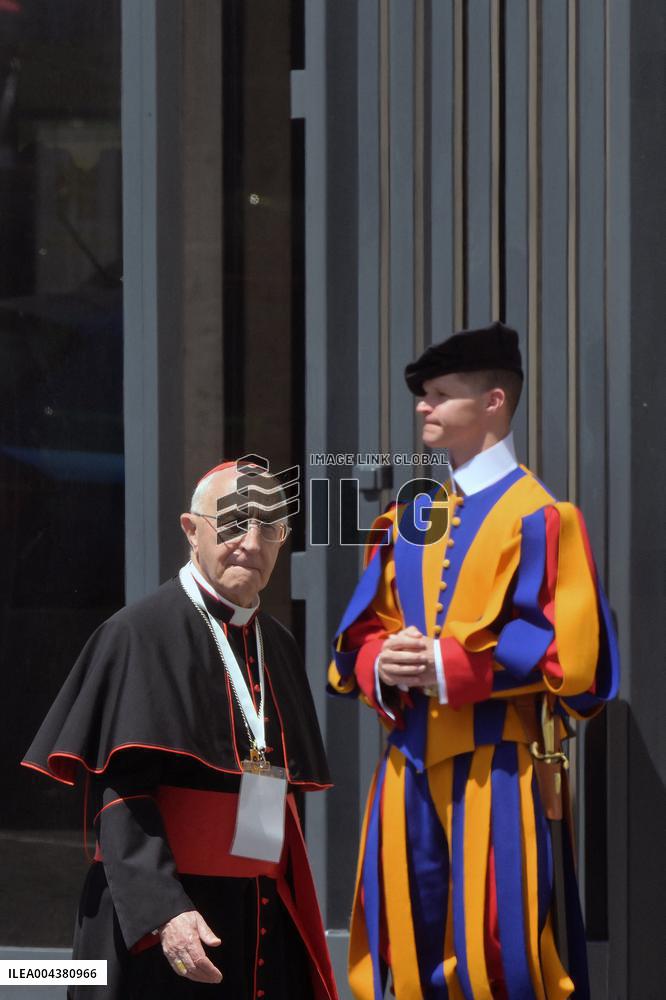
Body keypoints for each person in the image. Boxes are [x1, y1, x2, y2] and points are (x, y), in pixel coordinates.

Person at [329, 322, 620, 1000]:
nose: (422, 407)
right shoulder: (412, 514)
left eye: (440, 394)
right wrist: (384, 661)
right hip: (405, 769)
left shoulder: (543, 517)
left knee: (500, 951)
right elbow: (357, 639)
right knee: (404, 944)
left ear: (493, 401)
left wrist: (447, 666)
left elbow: (573, 661)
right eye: (422, 395)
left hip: (500, 770)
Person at [23, 459, 338, 1000]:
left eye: (270, 528)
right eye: (234, 523)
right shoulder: (137, 633)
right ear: (192, 529)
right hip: (158, 918)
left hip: (257, 912)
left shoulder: (277, 645)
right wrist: (164, 912)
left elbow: (266, 789)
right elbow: (119, 795)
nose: (251, 542)